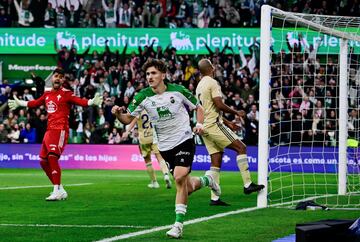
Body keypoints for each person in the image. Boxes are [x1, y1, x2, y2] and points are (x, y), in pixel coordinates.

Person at [112, 59, 220, 239]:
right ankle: (208, 180)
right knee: (187, 185)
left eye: (153, 73)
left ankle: (178, 225)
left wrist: (199, 124)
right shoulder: (142, 96)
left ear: (163, 75)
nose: (150, 77)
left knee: (179, 177)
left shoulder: (178, 91)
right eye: (147, 74)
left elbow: (198, 108)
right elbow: (127, 119)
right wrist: (117, 113)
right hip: (164, 146)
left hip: (184, 139)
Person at [8, 68, 102, 201]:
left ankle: (56, 190)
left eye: (60, 77)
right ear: (52, 78)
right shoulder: (47, 94)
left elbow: (80, 101)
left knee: (52, 157)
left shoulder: (67, 94)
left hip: (60, 130)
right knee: (43, 161)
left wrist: (92, 102)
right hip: (49, 131)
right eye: (56, 76)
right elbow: (34, 103)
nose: (58, 78)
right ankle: (60, 189)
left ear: (63, 80)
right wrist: (20, 103)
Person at [196, 58, 264, 206]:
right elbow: (219, 104)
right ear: (211, 68)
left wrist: (228, 123)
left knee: (216, 159)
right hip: (214, 125)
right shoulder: (212, 83)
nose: (215, 68)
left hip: (204, 128)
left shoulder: (199, 85)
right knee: (241, 147)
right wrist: (237, 113)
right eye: (213, 66)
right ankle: (247, 184)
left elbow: (208, 109)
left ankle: (214, 198)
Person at [126, 109, 172, 189]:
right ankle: (166, 175)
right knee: (160, 158)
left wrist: (127, 131)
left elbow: (133, 121)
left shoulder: (139, 110)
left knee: (148, 161)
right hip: (154, 137)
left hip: (144, 139)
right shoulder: (152, 107)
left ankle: (154, 182)